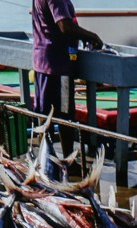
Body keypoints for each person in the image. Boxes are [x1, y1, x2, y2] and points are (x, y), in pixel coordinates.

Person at [31, 0, 103, 159]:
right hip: (58, 65)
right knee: (65, 114)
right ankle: (67, 160)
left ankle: (45, 161)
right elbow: (64, 25)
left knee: (44, 114)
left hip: (43, 62)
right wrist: (92, 36)